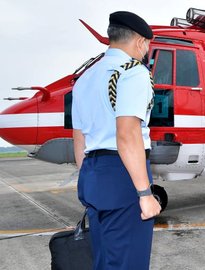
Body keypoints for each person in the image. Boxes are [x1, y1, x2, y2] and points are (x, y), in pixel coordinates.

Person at [72, 11, 161, 270]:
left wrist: (90, 178)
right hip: (124, 174)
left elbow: (79, 137)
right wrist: (144, 193)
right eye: (147, 45)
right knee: (129, 262)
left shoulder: (85, 77)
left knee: (104, 260)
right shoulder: (133, 72)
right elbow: (127, 133)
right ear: (139, 41)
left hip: (92, 174)